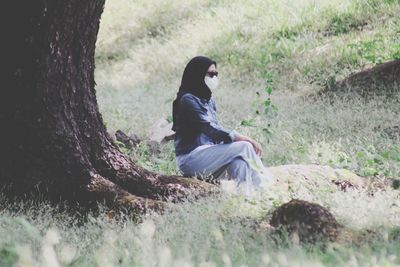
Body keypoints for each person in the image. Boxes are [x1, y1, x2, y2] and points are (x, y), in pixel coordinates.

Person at [171, 56, 274, 193]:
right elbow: (209, 128)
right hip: (190, 158)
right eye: (210, 74)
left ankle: (247, 200)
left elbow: (216, 133)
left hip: (208, 158)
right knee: (244, 146)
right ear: (198, 74)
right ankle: (266, 189)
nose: (214, 77)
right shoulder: (187, 99)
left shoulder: (209, 100)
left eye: (216, 74)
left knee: (240, 164)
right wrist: (242, 137)